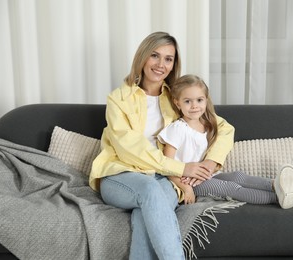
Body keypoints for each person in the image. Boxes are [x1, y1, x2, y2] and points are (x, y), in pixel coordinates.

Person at [89, 32, 235, 260]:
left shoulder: (178, 97)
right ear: (143, 57)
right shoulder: (118, 99)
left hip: (164, 179)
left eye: (169, 59)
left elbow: (225, 128)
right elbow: (131, 149)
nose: (161, 64)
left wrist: (210, 162)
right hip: (120, 174)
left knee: (145, 214)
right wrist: (180, 168)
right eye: (155, 56)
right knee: (149, 191)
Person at [157, 74, 293, 209]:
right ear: (177, 103)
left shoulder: (206, 125)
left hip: (205, 176)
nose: (195, 106)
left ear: (206, 100)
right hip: (190, 183)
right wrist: (186, 188)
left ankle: (277, 184)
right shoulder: (177, 129)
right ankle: (280, 198)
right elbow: (167, 165)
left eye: (199, 100)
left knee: (238, 177)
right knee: (231, 188)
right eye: (187, 101)